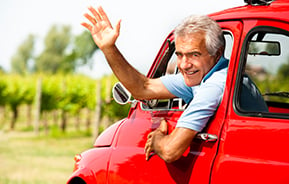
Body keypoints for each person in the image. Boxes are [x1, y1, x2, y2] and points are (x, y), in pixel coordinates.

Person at [81, 6, 227, 163]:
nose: (184, 65)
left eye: (194, 55)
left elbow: (171, 150)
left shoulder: (214, 85)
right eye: (179, 55)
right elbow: (143, 88)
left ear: (217, 53)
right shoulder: (203, 76)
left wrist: (157, 139)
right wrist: (109, 48)